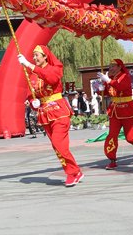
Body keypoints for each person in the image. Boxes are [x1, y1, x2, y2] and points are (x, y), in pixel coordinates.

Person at [18, 45, 84, 186]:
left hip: (59, 111)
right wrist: (32, 102)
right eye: (33, 56)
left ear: (45, 56)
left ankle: (74, 172)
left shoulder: (54, 69)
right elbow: (30, 93)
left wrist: (29, 65)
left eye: (37, 55)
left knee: (58, 143)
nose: (35, 58)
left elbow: (52, 79)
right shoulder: (33, 75)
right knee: (57, 147)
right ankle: (73, 172)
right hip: (45, 113)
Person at [97, 59, 133, 169]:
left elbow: (120, 86)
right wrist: (100, 89)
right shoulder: (110, 78)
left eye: (113, 66)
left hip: (126, 109)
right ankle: (112, 159)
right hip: (114, 111)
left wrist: (108, 80)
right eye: (110, 66)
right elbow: (108, 93)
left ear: (119, 67)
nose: (111, 68)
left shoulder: (125, 76)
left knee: (130, 137)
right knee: (112, 136)